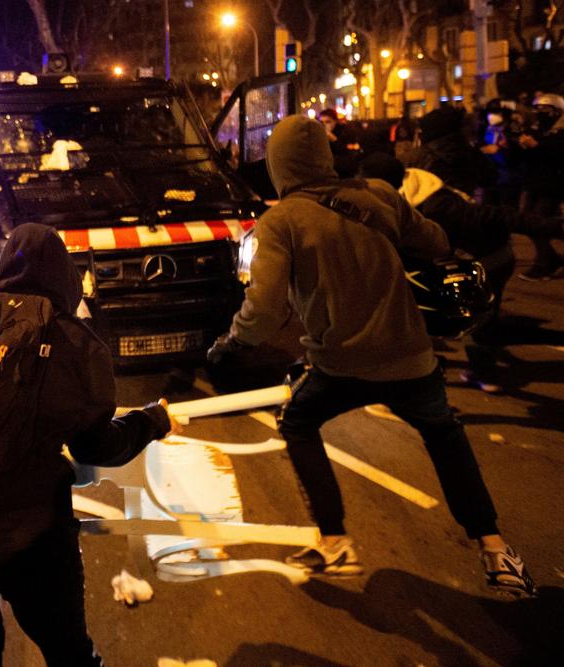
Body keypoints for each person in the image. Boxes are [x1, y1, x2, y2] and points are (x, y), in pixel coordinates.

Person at [208, 115, 537, 597]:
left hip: (340, 363)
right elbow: (436, 241)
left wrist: (229, 344)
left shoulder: (280, 223)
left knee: (298, 422)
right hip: (410, 355)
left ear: (278, 165)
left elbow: (263, 311)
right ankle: (495, 547)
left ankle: (335, 539)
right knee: (444, 434)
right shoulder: (379, 195)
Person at [0, 224, 177, 665]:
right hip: (28, 540)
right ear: (65, 275)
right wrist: (154, 420)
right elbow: (95, 447)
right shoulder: (72, 340)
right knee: (67, 650)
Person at [360, 152, 560, 392]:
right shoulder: (409, 192)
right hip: (470, 261)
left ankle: (459, 374)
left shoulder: (437, 205)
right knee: (477, 325)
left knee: (469, 324)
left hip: (487, 263)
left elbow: (500, 216)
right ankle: (483, 373)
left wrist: (555, 227)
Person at [516, 92, 564, 280]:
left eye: (545, 109)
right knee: (526, 223)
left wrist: (538, 147)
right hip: (532, 184)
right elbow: (526, 158)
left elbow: (557, 155)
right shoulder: (536, 129)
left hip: (551, 186)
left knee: (538, 224)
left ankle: (544, 263)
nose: (540, 113)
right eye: (538, 109)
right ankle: (551, 258)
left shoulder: (560, 133)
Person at [318, 108, 359, 177]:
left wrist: (334, 139)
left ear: (335, 121)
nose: (324, 125)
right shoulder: (319, 134)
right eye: (322, 122)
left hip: (343, 170)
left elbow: (348, 151)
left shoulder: (345, 131)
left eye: (328, 122)